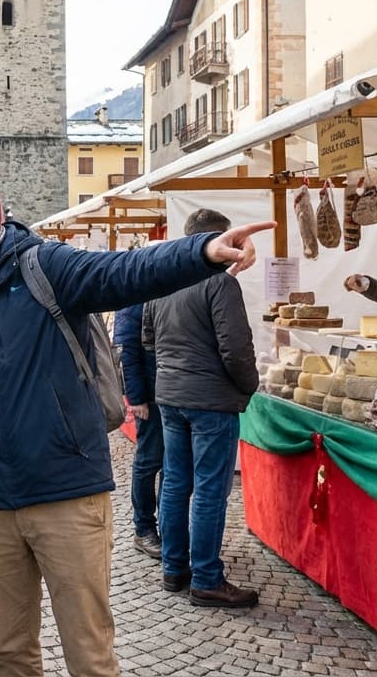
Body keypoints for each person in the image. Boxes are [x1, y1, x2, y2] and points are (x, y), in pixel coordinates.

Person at [0, 175, 272, 677]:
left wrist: (202, 252)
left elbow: (123, 271)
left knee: (88, 652)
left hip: (66, 493)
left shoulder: (45, 265)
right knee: (13, 652)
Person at [142, 209, 261, 609]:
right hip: (210, 399)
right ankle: (207, 577)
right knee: (209, 488)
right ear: (220, 240)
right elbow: (236, 349)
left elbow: (148, 341)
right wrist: (249, 386)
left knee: (176, 481)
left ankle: (175, 568)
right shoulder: (219, 284)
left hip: (172, 395)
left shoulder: (163, 284)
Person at [113, 301, 162, 559]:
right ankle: (143, 529)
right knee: (148, 461)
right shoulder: (133, 295)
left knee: (171, 464)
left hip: (170, 392)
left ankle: (166, 527)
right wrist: (136, 398)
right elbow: (125, 352)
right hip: (150, 396)